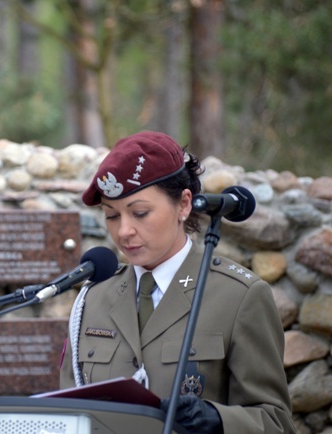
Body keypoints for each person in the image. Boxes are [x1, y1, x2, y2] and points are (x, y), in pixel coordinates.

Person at [59, 131, 295, 434]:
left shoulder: (240, 297)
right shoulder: (93, 298)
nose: (124, 231)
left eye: (140, 213)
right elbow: (67, 414)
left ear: (184, 205)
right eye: (111, 216)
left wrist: (218, 419)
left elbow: (277, 422)